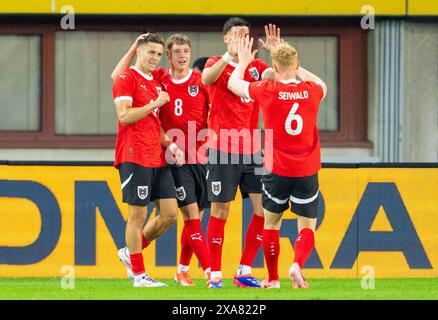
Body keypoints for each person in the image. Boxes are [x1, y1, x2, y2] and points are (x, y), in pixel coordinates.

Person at [112, 33, 212, 287]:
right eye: (151, 53)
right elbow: (124, 116)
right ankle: (139, 274)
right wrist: (155, 103)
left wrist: (170, 144)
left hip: (158, 155)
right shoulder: (128, 78)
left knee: (169, 214)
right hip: (134, 154)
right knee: (137, 215)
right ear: (139, 53)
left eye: (158, 53)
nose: (155, 58)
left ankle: (129, 253)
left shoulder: (156, 80)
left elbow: (154, 123)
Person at [228, 35, 327, 289]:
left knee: (271, 223)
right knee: (307, 227)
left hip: (276, 169)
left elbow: (233, 84)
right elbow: (320, 83)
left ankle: (272, 278)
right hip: (306, 169)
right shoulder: (312, 90)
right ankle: (297, 265)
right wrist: (291, 62)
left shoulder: (267, 90)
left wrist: (244, 61)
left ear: (274, 68)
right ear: (297, 65)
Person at [201, 18, 280, 288]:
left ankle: (244, 270)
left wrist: (276, 52)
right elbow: (205, 78)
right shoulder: (215, 63)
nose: (242, 39)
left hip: (252, 150)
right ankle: (214, 274)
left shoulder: (257, 67)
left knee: (263, 210)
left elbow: (281, 78)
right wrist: (230, 56)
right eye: (236, 35)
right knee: (220, 210)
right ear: (225, 39)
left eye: (246, 35)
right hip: (222, 148)